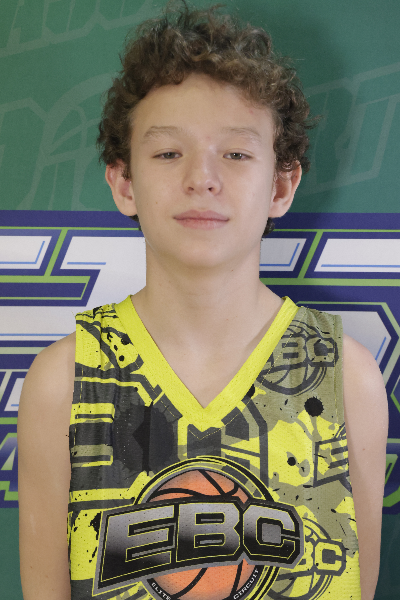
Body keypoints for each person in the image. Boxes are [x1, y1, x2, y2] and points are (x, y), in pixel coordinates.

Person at [18, 3, 388, 600]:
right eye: (168, 153)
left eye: (236, 154)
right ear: (124, 182)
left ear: (281, 184)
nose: (202, 178)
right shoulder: (62, 383)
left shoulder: (349, 380)